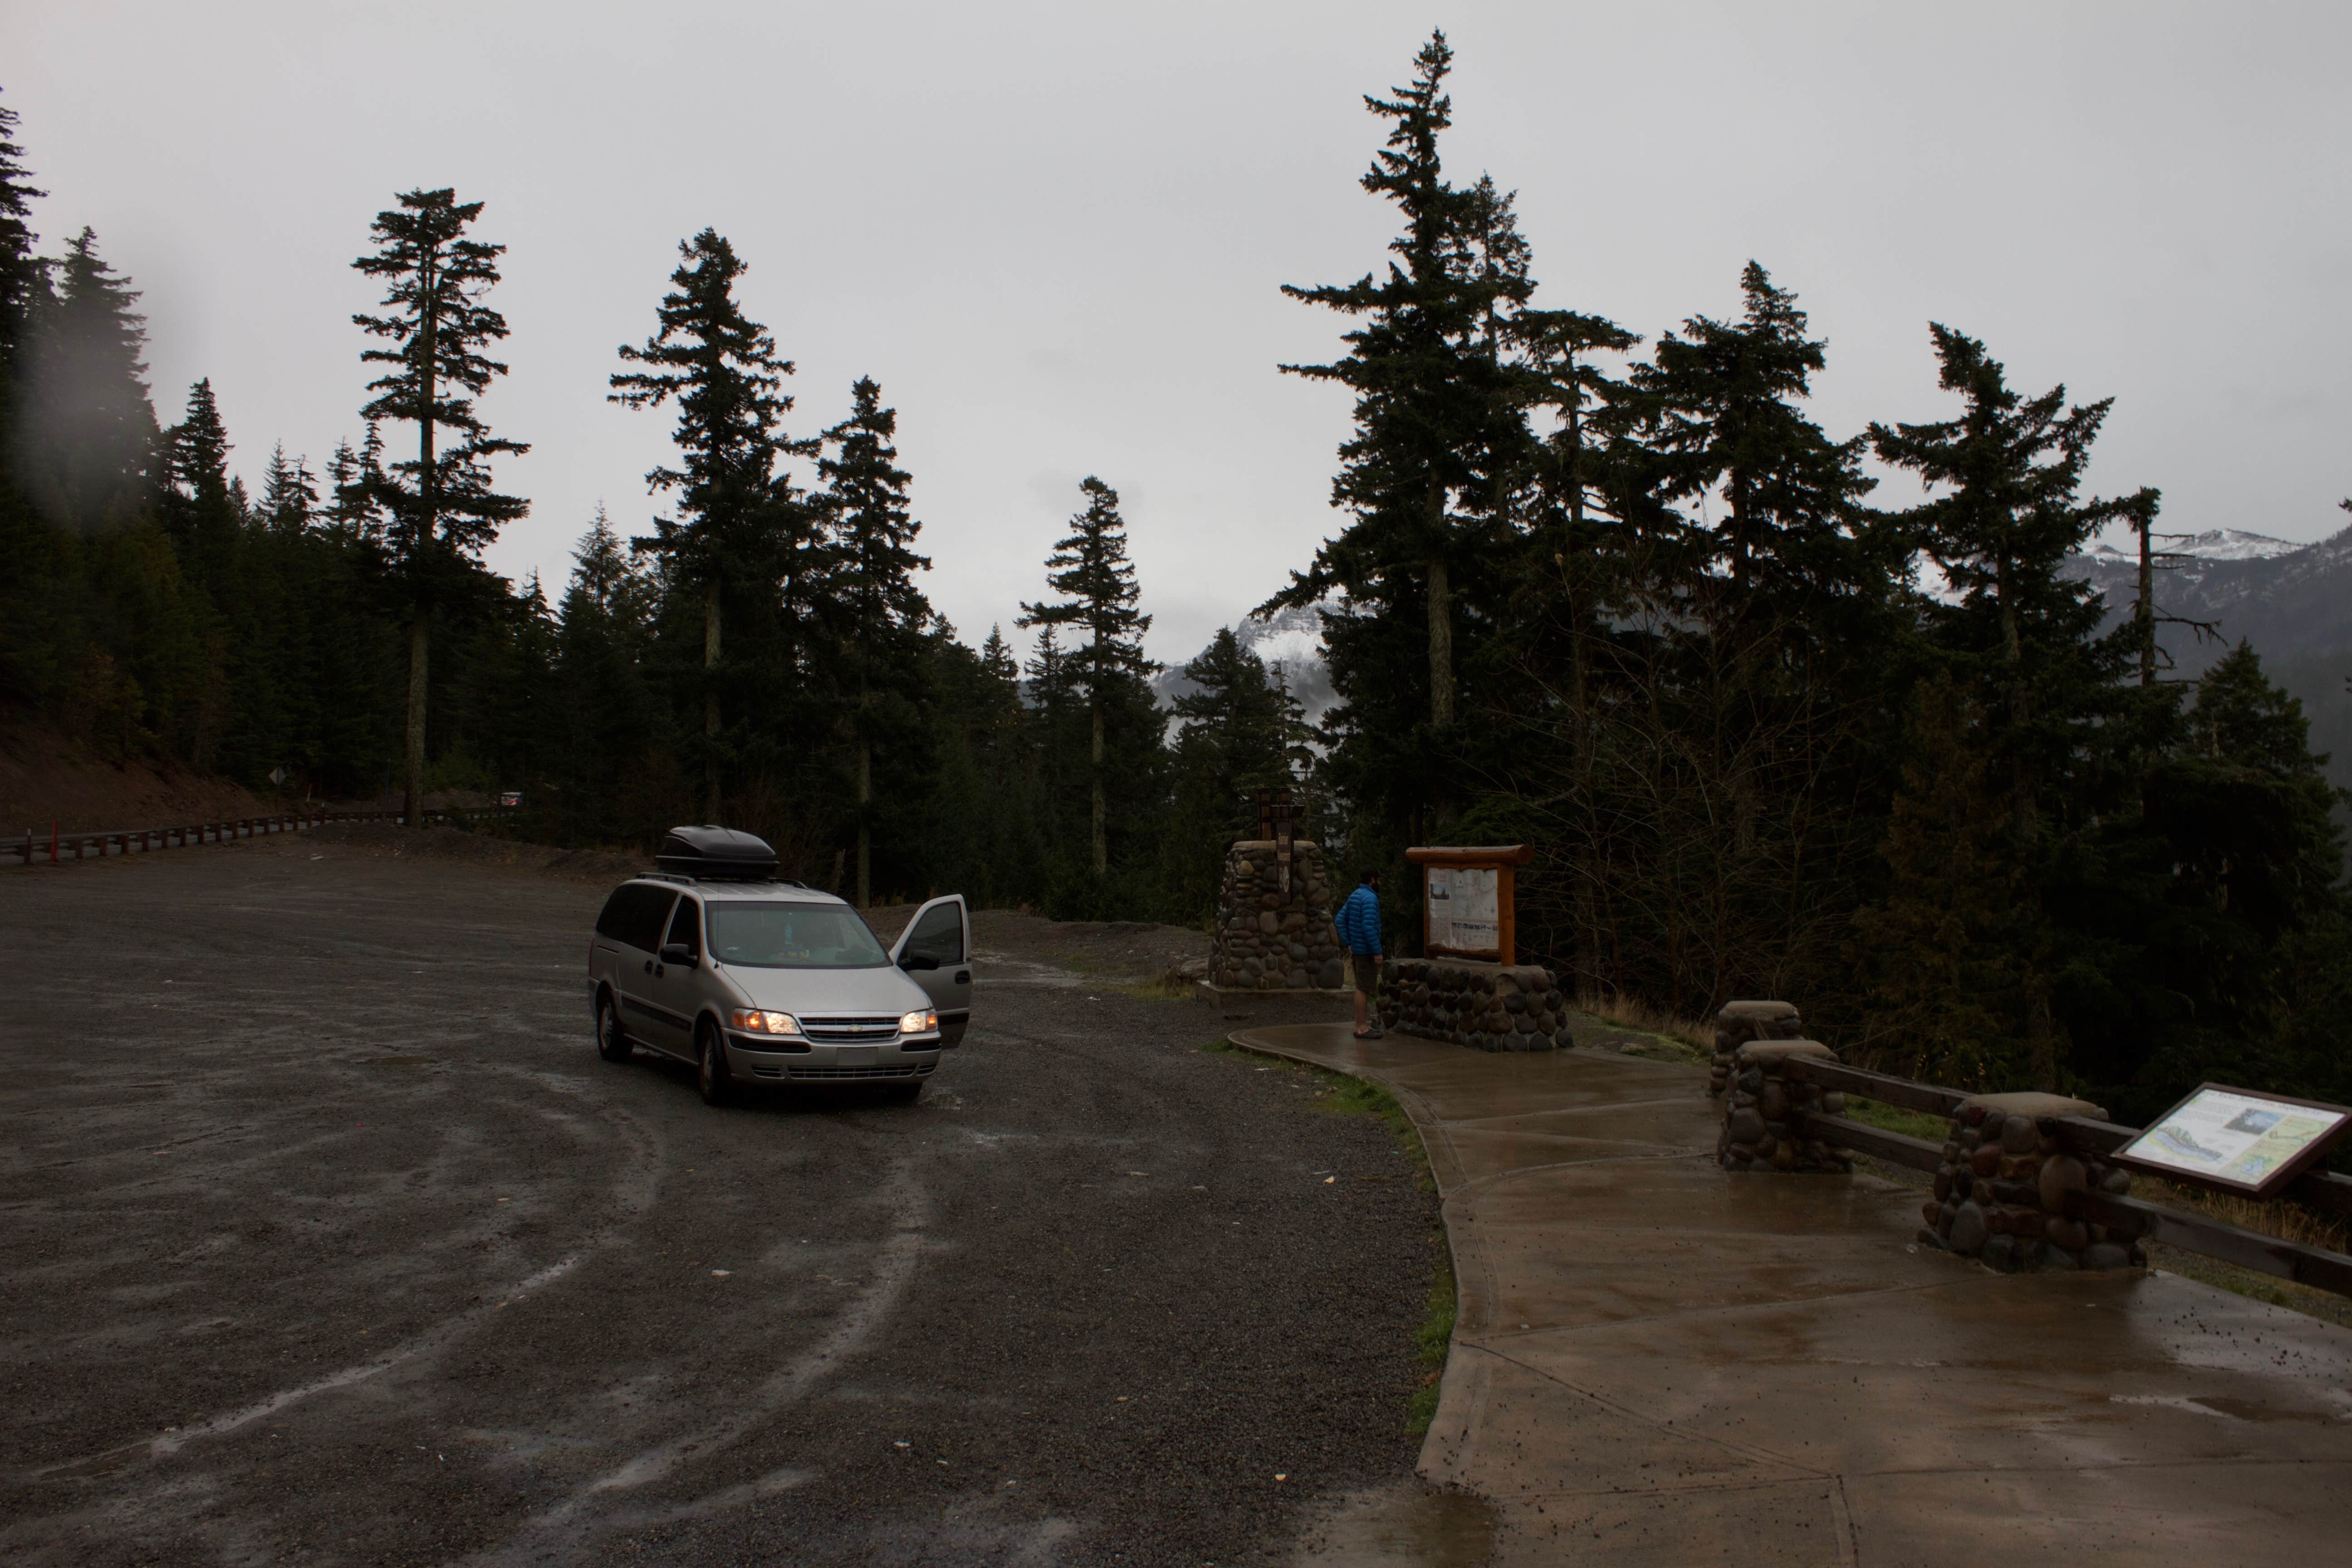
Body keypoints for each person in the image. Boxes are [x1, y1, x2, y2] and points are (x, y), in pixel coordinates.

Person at [1336, 869, 1384, 1040]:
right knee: (1364, 989)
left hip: (1357, 949)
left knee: (1360, 987)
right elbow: (1369, 927)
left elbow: (1340, 919)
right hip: (1366, 951)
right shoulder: (1370, 899)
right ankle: (1362, 1027)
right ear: (1373, 880)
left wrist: (1349, 942)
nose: (1380, 883)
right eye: (1379, 879)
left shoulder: (1355, 895)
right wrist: (1377, 951)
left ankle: (1360, 1025)